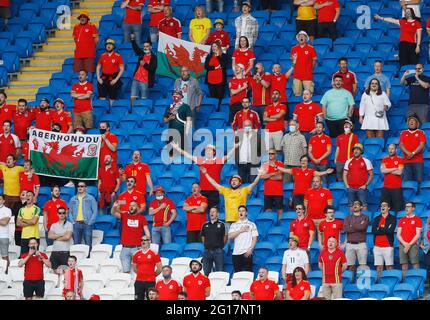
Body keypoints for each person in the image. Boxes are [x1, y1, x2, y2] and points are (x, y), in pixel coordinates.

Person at [171, 142, 237, 209]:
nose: (207, 151)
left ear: (214, 152)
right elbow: (188, 156)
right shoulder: (201, 161)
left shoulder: (218, 161)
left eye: (209, 150)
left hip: (214, 191)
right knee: (202, 211)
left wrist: (235, 147)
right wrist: (177, 148)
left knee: (213, 211)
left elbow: (228, 156)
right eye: (206, 150)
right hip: (203, 191)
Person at [111, 200, 150, 273]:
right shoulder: (125, 215)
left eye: (133, 205)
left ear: (137, 208)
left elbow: (146, 230)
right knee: (126, 271)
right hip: (125, 248)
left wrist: (147, 241)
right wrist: (114, 207)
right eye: (130, 205)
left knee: (139, 270)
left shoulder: (141, 218)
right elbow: (113, 213)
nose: (131, 207)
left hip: (137, 248)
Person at [343, 143, 374, 213]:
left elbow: (371, 174)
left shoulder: (366, 161)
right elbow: (344, 174)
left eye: (358, 149)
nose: (355, 151)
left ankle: (364, 222)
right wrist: (347, 186)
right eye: (354, 149)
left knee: (364, 205)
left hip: (361, 188)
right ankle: (351, 222)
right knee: (351, 206)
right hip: (351, 188)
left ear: (361, 151)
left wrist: (366, 185)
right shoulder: (348, 161)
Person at [68, 181, 98, 251]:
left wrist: (90, 222)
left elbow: (95, 211)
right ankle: (76, 260)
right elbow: (70, 212)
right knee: (76, 245)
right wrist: (72, 221)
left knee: (88, 245)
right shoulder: (73, 199)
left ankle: (88, 260)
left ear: (85, 188)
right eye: (78, 186)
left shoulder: (91, 198)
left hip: (87, 223)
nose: (80, 188)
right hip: (76, 224)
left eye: (82, 186)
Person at [228, 205, 258, 272]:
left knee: (248, 274)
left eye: (243, 211)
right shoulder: (234, 224)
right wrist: (240, 230)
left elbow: (255, 238)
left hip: (247, 252)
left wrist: (250, 249)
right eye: (239, 211)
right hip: (236, 253)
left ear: (246, 213)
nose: (241, 212)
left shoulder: (251, 224)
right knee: (237, 274)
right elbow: (230, 236)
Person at [132, 235, 163, 300]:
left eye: (145, 240)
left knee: (151, 299)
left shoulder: (154, 253)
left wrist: (152, 275)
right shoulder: (136, 254)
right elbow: (134, 268)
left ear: (149, 241)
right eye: (142, 240)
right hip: (139, 281)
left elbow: (160, 268)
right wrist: (141, 274)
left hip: (150, 281)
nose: (143, 242)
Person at [343, 200, 369, 275]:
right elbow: (346, 229)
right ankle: (351, 281)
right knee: (350, 266)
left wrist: (352, 225)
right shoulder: (347, 218)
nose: (355, 205)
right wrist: (358, 226)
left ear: (361, 207)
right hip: (350, 244)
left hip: (361, 243)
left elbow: (362, 227)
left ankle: (361, 283)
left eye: (357, 204)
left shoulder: (365, 217)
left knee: (362, 265)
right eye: (354, 204)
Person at [96, 39, 125, 106]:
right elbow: (98, 67)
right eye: (107, 45)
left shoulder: (118, 56)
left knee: (112, 97)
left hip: (113, 77)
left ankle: (111, 111)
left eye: (110, 44)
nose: (108, 46)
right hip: (103, 77)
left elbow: (122, 69)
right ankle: (103, 110)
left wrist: (116, 80)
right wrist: (98, 78)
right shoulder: (102, 56)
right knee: (102, 96)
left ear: (113, 46)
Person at [397, 201, 422, 279]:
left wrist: (409, 244)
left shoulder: (417, 219)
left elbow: (417, 235)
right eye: (406, 206)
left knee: (415, 264)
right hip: (402, 245)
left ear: (413, 208)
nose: (406, 208)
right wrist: (405, 244)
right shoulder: (402, 219)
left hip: (413, 245)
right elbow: (398, 234)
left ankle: (416, 281)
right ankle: (405, 282)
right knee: (404, 265)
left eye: (408, 206)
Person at [372, 201, 396, 281]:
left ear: (388, 208)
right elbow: (374, 231)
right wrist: (385, 228)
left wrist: (380, 228)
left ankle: (390, 282)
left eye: (385, 205)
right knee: (379, 266)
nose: (382, 207)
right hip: (377, 246)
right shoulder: (376, 218)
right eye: (381, 205)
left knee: (389, 266)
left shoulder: (392, 218)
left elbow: (390, 231)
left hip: (388, 246)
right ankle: (379, 283)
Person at [130, 37, 157, 107]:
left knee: (143, 99)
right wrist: (133, 40)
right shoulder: (141, 54)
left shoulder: (154, 57)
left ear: (150, 47)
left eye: (147, 46)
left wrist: (144, 64)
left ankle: (142, 113)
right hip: (136, 79)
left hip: (145, 81)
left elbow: (153, 68)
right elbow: (136, 48)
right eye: (144, 46)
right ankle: (133, 112)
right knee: (133, 97)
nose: (145, 48)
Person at [399, 114, 426, 183]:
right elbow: (401, 144)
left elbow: (422, 144)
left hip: (418, 161)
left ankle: (419, 193)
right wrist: (408, 153)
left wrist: (413, 153)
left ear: (417, 123)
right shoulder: (403, 133)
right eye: (410, 121)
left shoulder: (421, 132)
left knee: (419, 181)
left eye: (413, 121)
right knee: (407, 182)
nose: (411, 122)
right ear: (408, 123)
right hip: (406, 161)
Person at [164, 90, 192, 155]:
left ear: (181, 96)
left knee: (183, 152)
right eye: (174, 94)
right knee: (171, 153)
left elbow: (189, 120)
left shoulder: (186, 107)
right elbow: (165, 120)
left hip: (182, 132)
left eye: (177, 94)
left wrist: (187, 132)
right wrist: (169, 118)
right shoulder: (169, 107)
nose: (176, 96)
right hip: (171, 132)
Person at [235, 119, 263, 184]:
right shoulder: (238, 136)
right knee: (241, 183)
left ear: (252, 126)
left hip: (254, 164)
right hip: (241, 164)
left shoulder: (257, 136)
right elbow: (235, 148)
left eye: (249, 125)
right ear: (243, 126)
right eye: (245, 125)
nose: (247, 127)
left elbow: (261, 149)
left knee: (253, 183)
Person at [201, 207, 227, 275]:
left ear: (217, 214)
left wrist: (220, 247)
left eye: (213, 211)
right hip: (207, 251)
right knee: (206, 273)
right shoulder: (205, 225)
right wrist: (207, 245)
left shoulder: (222, 224)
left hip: (218, 251)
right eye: (210, 212)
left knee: (219, 272)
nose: (211, 213)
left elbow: (225, 237)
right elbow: (203, 237)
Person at [291, 31, 317, 96]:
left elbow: (314, 60)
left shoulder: (311, 48)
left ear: (306, 38)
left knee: (309, 94)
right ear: (298, 38)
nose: (301, 37)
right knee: (297, 94)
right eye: (300, 36)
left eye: (303, 36)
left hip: (307, 75)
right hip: (297, 75)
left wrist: (310, 69)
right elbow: (293, 60)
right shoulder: (294, 48)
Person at [48, 207, 73, 276]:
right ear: (57, 214)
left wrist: (55, 237)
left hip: (65, 252)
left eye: (63, 213)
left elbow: (67, 237)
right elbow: (50, 236)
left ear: (65, 214)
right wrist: (62, 234)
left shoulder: (69, 224)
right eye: (60, 213)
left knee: (66, 273)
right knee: (54, 272)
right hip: (54, 252)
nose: (62, 214)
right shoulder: (53, 225)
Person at [261, 148, 284, 219]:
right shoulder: (265, 165)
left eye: (272, 153)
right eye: (269, 154)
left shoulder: (280, 164)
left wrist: (268, 175)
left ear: (276, 155)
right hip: (268, 192)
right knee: (268, 210)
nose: (270, 155)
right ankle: (270, 227)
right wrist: (273, 173)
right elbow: (262, 176)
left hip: (278, 191)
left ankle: (280, 225)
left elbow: (280, 177)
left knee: (279, 210)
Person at [381, 144, 404, 212]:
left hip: (396, 187)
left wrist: (387, 170)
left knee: (398, 208)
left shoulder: (400, 159)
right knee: (385, 208)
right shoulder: (384, 159)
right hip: (386, 187)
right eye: (389, 149)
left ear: (396, 150)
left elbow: (399, 172)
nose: (390, 150)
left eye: (392, 149)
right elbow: (383, 170)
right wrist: (394, 168)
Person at [16, 191, 40, 255]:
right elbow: (18, 223)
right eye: (27, 195)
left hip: (34, 237)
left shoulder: (37, 209)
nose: (28, 197)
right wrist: (30, 221)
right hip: (24, 237)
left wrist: (23, 219)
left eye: (29, 195)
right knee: (24, 257)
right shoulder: (21, 209)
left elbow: (34, 221)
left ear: (33, 197)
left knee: (34, 257)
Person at [204, 41, 227, 107]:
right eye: (212, 46)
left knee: (219, 96)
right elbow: (206, 67)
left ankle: (218, 109)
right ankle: (214, 108)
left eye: (215, 46)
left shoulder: (223, 56)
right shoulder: (209, 56)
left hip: (220, 80)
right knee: (213, 96)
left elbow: (224, 65)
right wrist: (215, 67)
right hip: (210, 80)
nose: (213, 48)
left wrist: (218, 56)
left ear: (218, 47)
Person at [0, 194, 11, 272]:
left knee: (5, 256)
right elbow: (2, 221)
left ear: (3, 201)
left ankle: (6, 274)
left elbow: (5, 222)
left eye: (0, 199)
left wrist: (3, 220)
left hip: (3, 236)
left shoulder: (7, 210)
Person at [420, 213, 430, 287]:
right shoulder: (425, 226)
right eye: (428, 217)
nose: (428, 219)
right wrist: (421, 244)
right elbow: (422, 237)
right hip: (427, 250)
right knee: (428, 266)